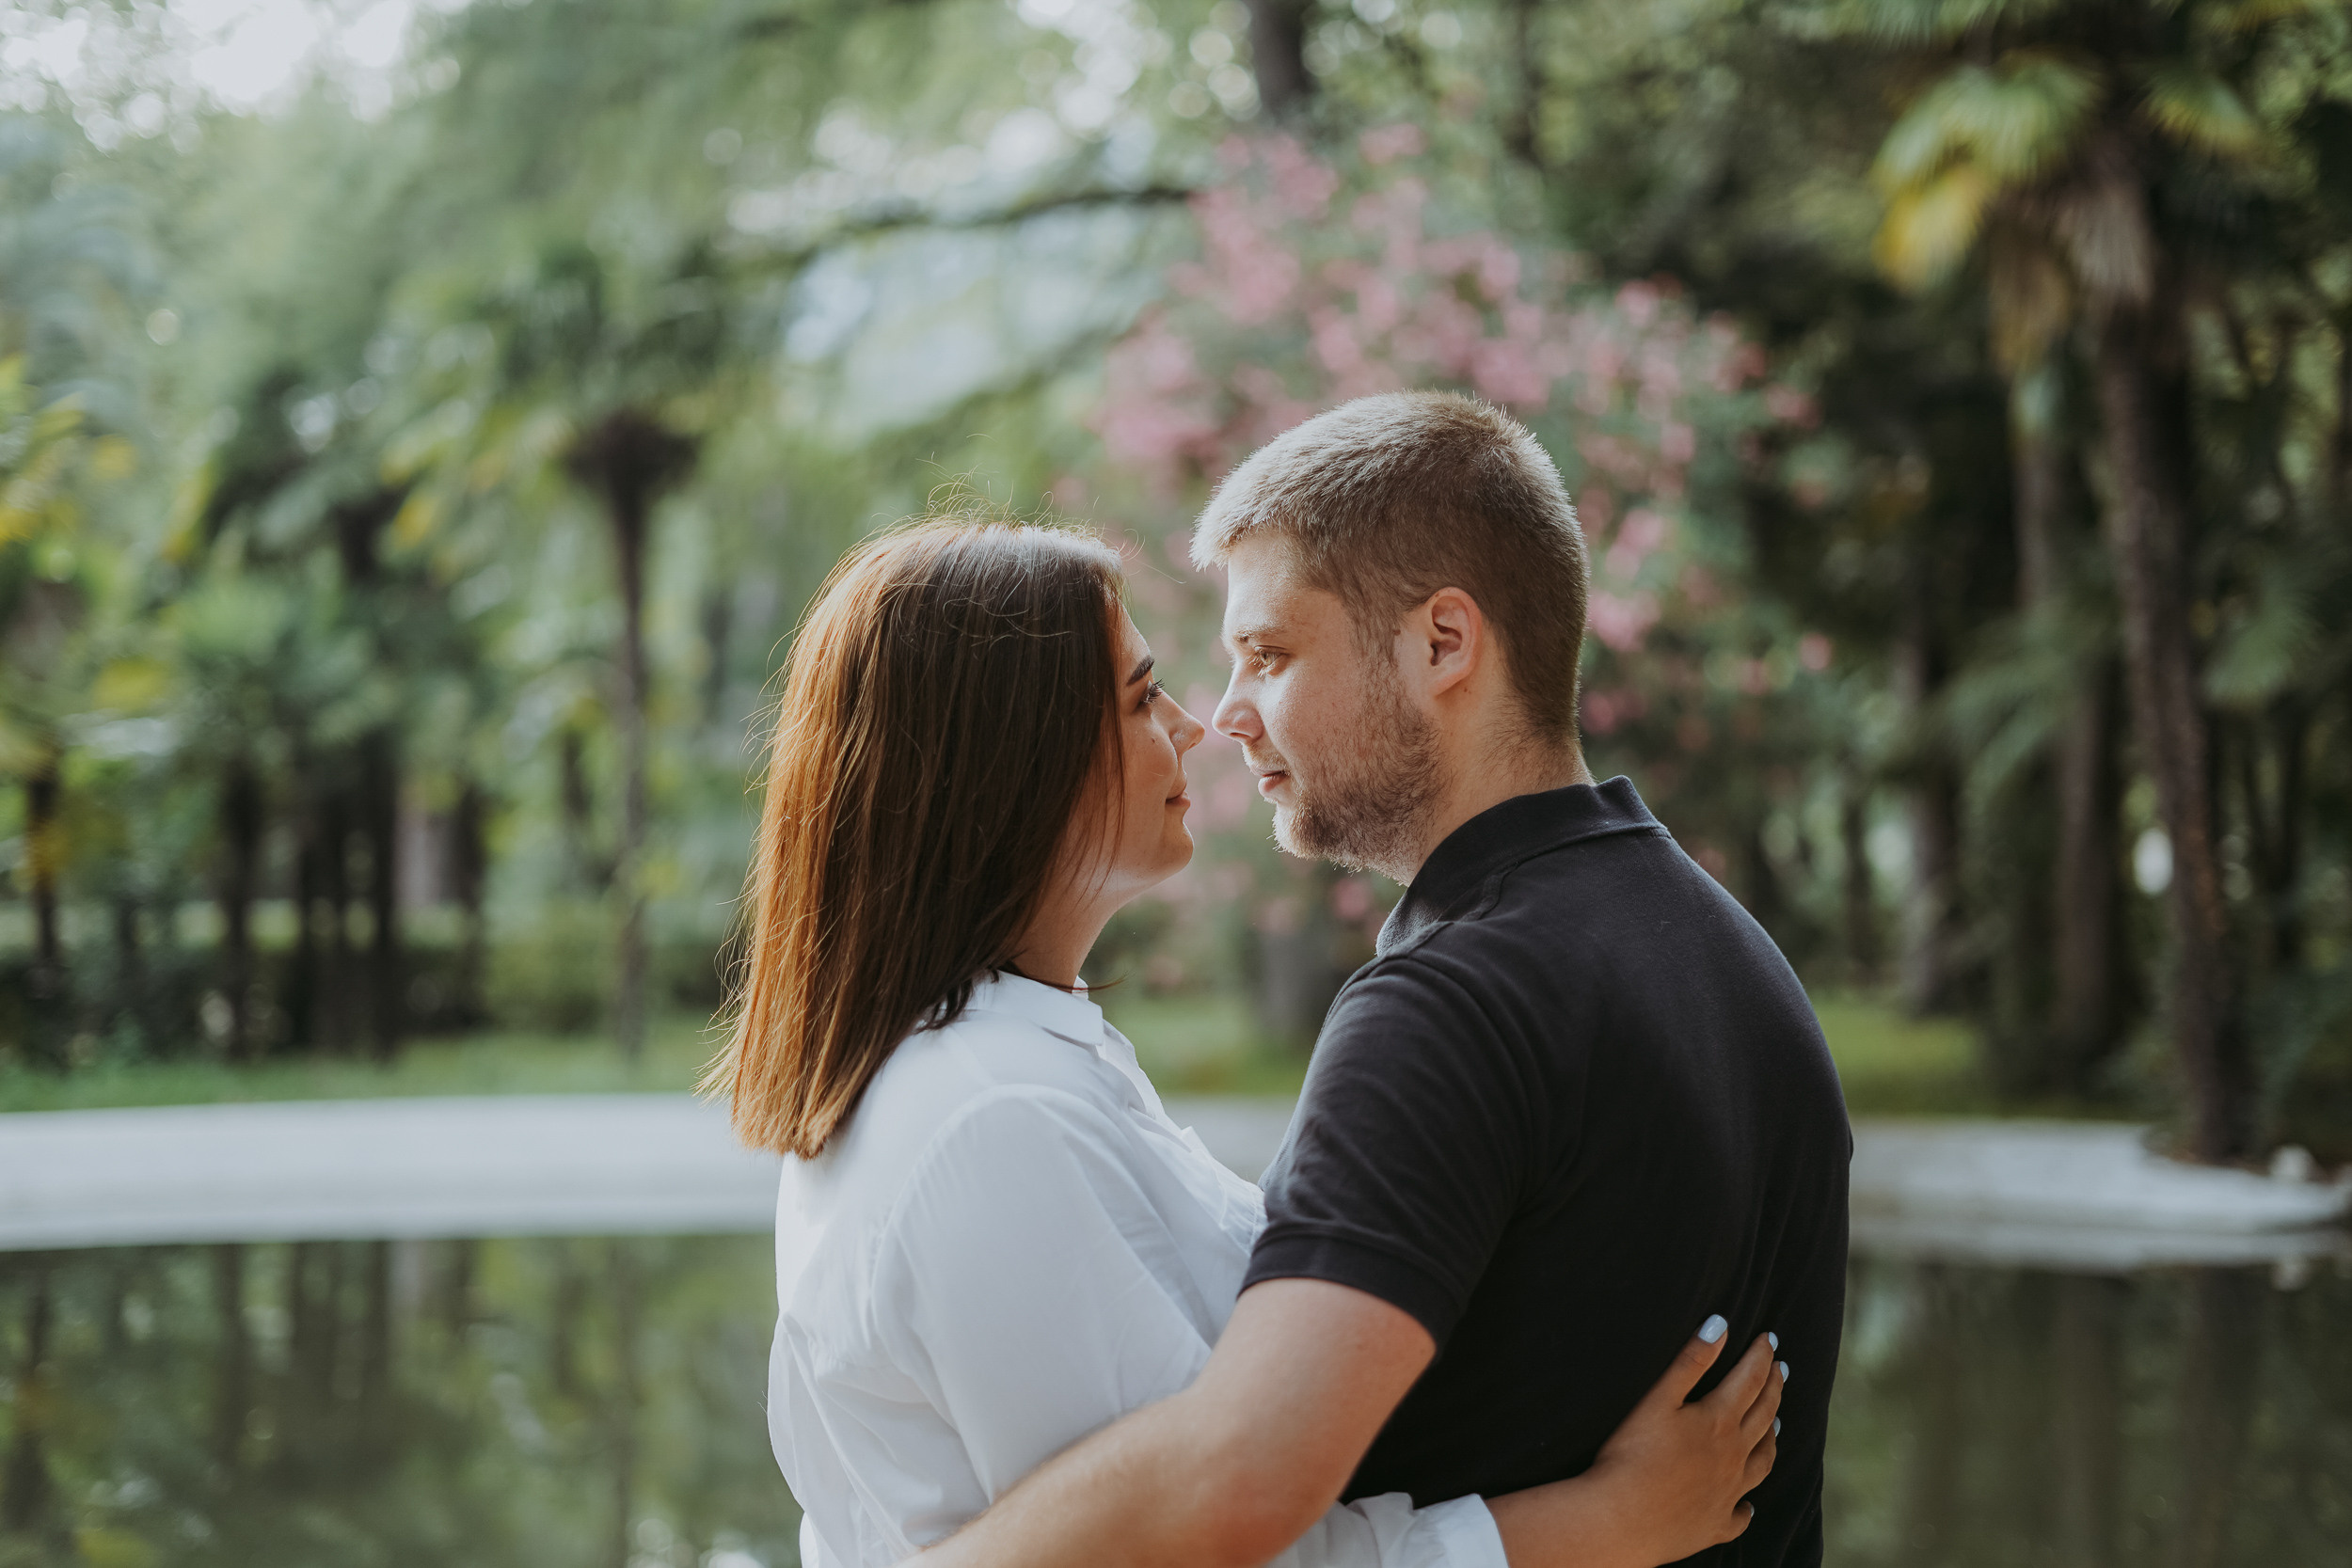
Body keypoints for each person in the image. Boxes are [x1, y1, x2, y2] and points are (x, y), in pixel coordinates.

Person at [706, 516, 1787, 1568]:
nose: (1191, 721)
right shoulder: (989, 1117)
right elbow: (1210, 1539)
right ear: (1005, 761)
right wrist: (1603, 1525)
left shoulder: (1024, 1062)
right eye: (1139, 695)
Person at [917, 394, 1851, 1568]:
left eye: (1269, 652)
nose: (1228, 713)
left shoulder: (1451, 1007)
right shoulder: (1735, 956)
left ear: (1442, 642)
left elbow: (1235, 1479)